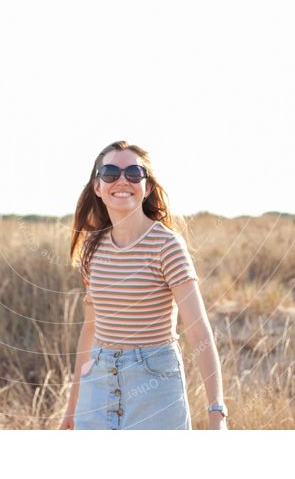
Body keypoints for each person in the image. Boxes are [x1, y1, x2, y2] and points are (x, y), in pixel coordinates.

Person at [59, 140, 228, 430]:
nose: (122, 180)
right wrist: (71, 408)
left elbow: (199, 330)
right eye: (110, 172)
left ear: (146, 187)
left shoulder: (167, 245)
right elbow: (91, 328)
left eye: (134, 173)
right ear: (97, 187)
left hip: (155, 386)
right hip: (96, 387)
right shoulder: (93, 249)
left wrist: (217, 413)